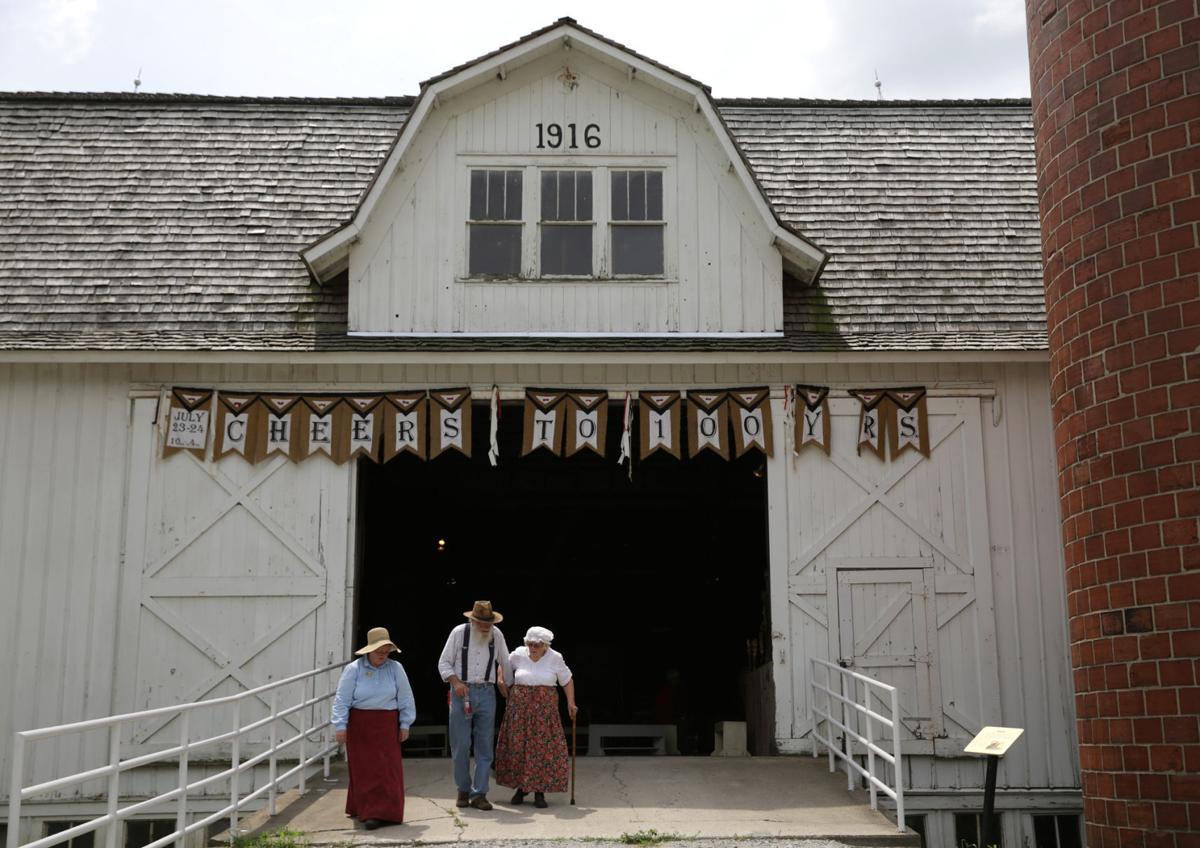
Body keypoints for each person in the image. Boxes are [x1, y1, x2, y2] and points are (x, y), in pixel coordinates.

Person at [331, 627, 416, 830]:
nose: (383, 655)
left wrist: (405, 723)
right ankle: (370, 813)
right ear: (369, 650)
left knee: (388, 769)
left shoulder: (396, 668)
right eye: (379, 651)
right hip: (360, 724)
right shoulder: (354, 669)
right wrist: (340, 725)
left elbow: (405, 697)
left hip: (387, 723)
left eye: (386, 651)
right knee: (365, 769)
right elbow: (342, 699)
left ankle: (388, 812)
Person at [437, 600, 512, 811]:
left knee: (485, 744)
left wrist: (508, 684)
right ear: (473, 620)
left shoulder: (496, 635)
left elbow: (505, 661)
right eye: (482, 622)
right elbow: (443, 662)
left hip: (487, 692)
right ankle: (463, 788)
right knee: (460, 744)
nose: (486, 626)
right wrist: (455, 682)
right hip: (462, 691)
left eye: (489, 622)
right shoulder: (459, 633)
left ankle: (480, 793)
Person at [495, 625, 578, 808]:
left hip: (544, 713)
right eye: (530, 644)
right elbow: (503, 664)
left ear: (545, 646)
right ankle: (521, 788)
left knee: (542, 750)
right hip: (519, 711)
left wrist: (570, 703)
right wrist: (500, 679)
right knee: (518, 748)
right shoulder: (518, 653)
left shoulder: (555, 658)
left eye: (537, 645)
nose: (532, 648)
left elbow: (567, 680)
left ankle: (539, 792)